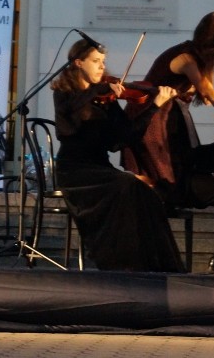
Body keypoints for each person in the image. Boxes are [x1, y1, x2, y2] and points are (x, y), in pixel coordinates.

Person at [122, 11, 214, 271]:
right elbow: (208, 93)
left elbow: (207, 95)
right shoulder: (185, 59)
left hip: (171, 134)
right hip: (157, 133)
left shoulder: (192, 59)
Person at [52, 38, 185, 272]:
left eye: (103, 61)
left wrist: (155, 105)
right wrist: (97, 90)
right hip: (75, 172)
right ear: (79, 63)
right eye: (96, 61)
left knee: (147, 191)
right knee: (126, 184)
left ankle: (158, 266)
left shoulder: (107, 99)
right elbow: (66, 130)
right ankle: (121, 264)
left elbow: (125, 138)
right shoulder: (65, 93)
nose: (102, 66)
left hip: (100, 168)